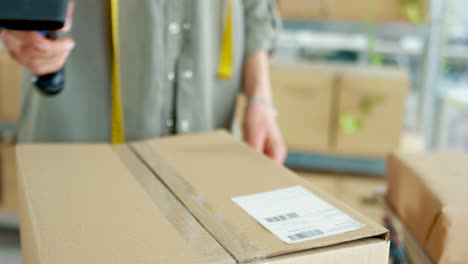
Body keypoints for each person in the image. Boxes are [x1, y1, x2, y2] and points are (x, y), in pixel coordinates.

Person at [0, 0, 286, 163]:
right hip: (81, 131)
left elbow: (255, 7)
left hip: (205, 122)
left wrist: (260, 98)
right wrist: (18, 22)